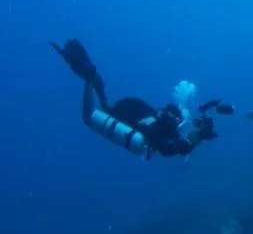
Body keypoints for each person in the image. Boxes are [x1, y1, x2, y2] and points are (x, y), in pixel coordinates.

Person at [52, 39, 233, 159]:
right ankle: (89, 78)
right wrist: (199, 133)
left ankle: (90, 77)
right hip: (131, 113)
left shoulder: (157, 121)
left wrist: (199, 133)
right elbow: (183, 147)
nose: (178, 124)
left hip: (131, 110)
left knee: (102, 108)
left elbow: (179, 142)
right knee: (91, 116)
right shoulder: (162, 134)